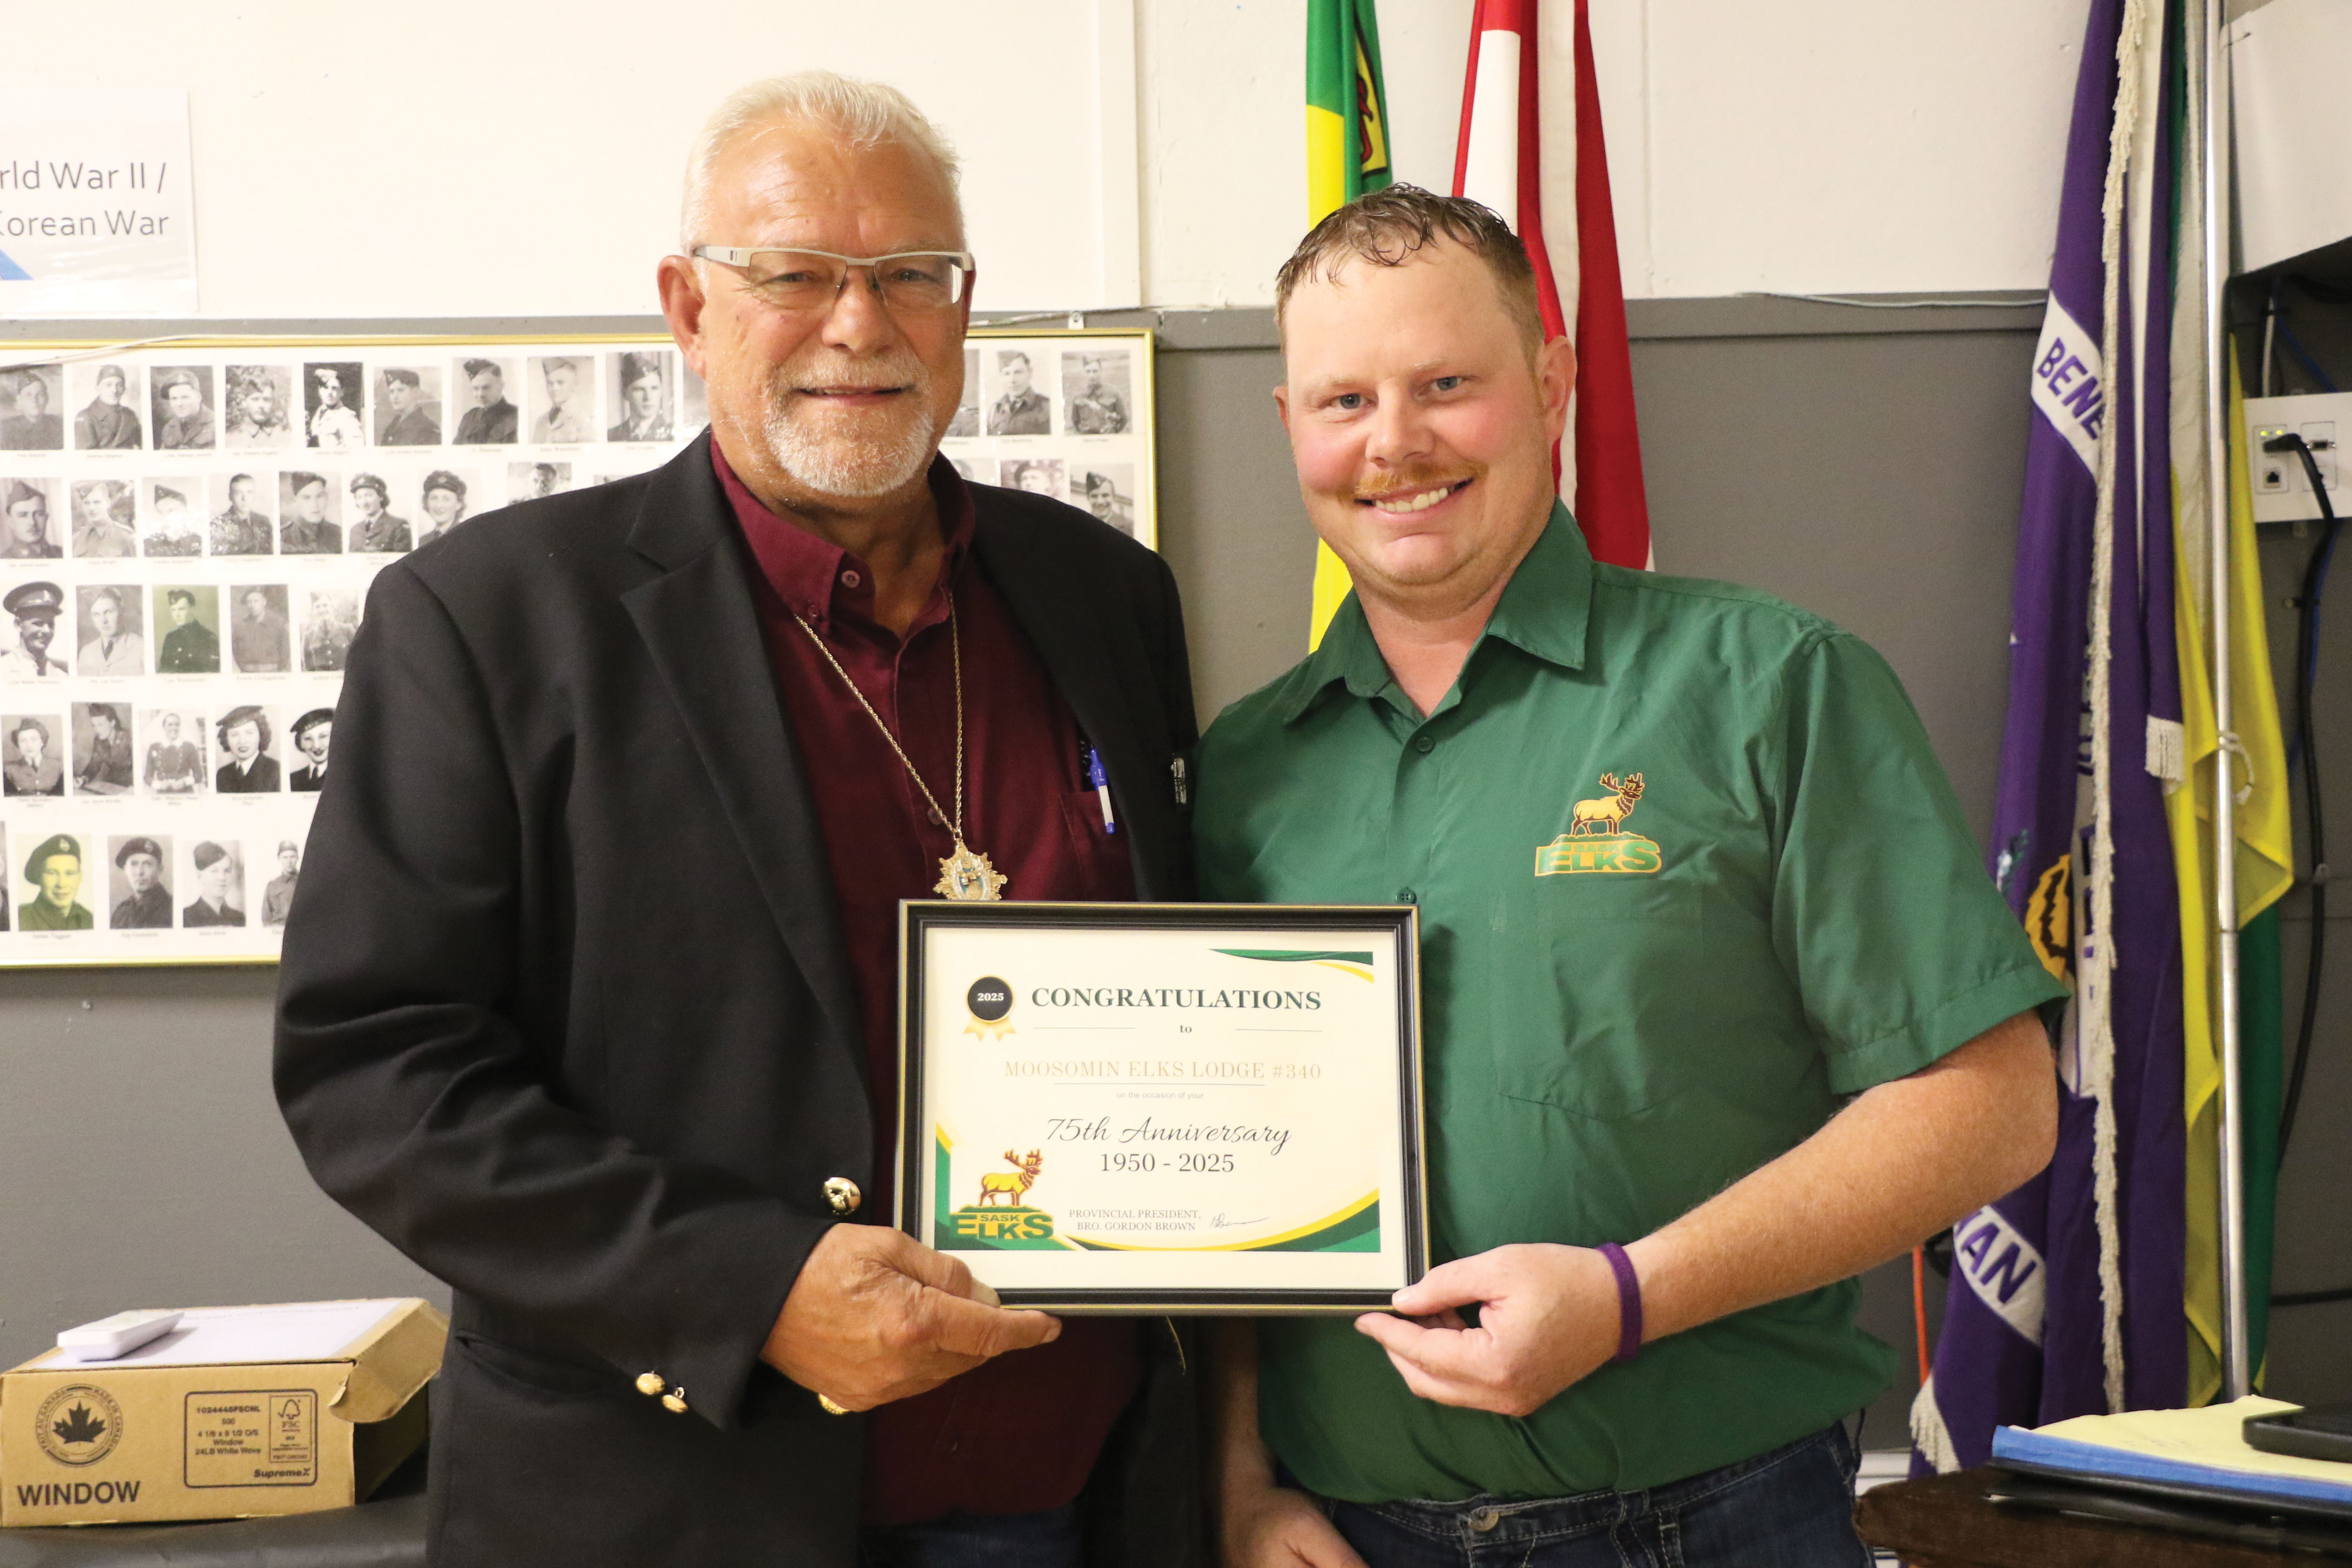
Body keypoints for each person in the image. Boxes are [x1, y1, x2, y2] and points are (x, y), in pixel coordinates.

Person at [274, 71, 1202, 1568]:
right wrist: (751, 1284)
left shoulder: (1103, 594)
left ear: (964, 305)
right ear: (688, 305)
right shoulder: (488, 618)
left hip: (1083, 1491)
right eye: (794, 275)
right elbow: (379, 1069)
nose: (861, 323)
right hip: (674, 1498)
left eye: (912, 274)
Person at [1199, 189, 2067, 1568]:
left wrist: (1628, 1295)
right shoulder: (1242, 771)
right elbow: (1225, 1200)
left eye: (1444, 385)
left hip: (1716, 1524)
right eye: (1343, 398)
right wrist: (1239, 1485)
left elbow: (1992, 1107)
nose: (1395, 442)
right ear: (1292, 426)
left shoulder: (1770, 687)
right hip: (1342, 1537)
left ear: (1549, 384)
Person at [20, 834, 92, 930]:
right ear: (39, 877)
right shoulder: (20, 919)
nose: (61, 884)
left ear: (80, 877)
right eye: (52, 873)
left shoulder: (89, 920)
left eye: (70, 874)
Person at [0, 582, 69, 677]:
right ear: (18, 624)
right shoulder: (3, 670)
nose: (47, 631)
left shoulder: (61, 676)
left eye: (51, 624)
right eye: (38, 623)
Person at [609, 351, 675, 441]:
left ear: (661, 392)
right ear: (625, 394)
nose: (648, 397)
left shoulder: (673, 435)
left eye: (654, 388)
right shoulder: (611, 436)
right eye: (639, 389)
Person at [77, 588, 145, 675]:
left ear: (122, 612)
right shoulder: (86, 653)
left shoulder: (142, 647)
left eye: (109, 612)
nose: (104, 621)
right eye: (97, 614)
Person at [76, 364, 144, 449]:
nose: (114, 391)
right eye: (108, 385)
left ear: (124, 389)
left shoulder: (130, 415)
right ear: (98, 389)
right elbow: (84, 457)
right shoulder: (85, 417)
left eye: (119, 385)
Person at [216, 705, 281, 793]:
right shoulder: (223, 774)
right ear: (226, 739)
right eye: (234, 735)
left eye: (249, 733)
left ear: (261, 734)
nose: (242, 741)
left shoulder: (277, 770)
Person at [112, 836, 172, 929]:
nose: (140, 872)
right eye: (134, 864)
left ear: (160, 870)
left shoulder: (171, 909)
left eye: (148, 864)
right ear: (125, 870)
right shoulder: (121, 913)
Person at [985, 349, 1050, 434]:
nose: (1012, 380)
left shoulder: (1047, 407)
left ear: (1030, 373)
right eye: (1007, 374)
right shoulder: (995, 411)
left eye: (1018, 373)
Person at [157, 588, 221, 674]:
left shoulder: (208, 637)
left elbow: (212, 674)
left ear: (193, 610)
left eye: (181, 609)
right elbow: (163, 670)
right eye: (174, 610)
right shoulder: (170, 637)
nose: (177, 615)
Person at [454, 359, 519, 444]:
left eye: (486, 388)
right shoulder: (469, 418)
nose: (481, 394)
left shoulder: (517, 416)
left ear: (501, 387)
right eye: (476, 389)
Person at [224, 366, 293, 446]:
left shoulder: (288, 435)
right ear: (245, 402)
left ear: (273, 402)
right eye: (255, 399)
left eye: (267, 400)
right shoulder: (230, 438)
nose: (261, 406)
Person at [534, 357, 595, 443]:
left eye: (560, 383)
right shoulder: (541, 422)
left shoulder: (583, 420)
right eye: (550, 383)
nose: (555, 388)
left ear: (574, 385)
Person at [212, 472, 275, 556]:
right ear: (230, 497)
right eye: (238, 493)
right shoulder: (219, 524)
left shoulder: (264, 522)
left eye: (250, 493)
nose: (245, 499)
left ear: (255, 496)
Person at [77, 703, 134, 794]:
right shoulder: (99, 741)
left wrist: (135, 788)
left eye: (101, 725)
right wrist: (83, 779)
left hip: (129, 787)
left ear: (113, 723)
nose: (97, 730)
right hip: (110, 785)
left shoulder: (129, 739)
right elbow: (94, 765)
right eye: (94, 726)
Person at [348, 474, 413, 553]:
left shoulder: (398, 526)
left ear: (381, 497)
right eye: (359, 497)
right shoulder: (355, 530)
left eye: (369, 496)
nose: (364, 502)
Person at [184, 841, 245, 927]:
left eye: (227, 871)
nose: (222, 878)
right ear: (200, 876)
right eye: (214, 871)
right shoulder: (186, 918)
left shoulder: (240, 918)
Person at [232, 586, 291, 673]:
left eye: (256, 601)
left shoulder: (278, 624)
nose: (253, 605)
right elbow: (236, 651)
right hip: (248, 673)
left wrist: (279, 671)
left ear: (264, 602)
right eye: (249, 602)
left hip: (272, 672)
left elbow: (285, 650)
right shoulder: (240, 627)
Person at [1065, 353, 1129, 434]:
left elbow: (1124, 420)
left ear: (1101, 371)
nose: (1092, 376)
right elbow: (1076, 422)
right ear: (1084, 373)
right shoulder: (1079, 396)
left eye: (1095, 371)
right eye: (1088, 372)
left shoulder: (1115, 393)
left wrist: (1112, 432)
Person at [281, 472, 343, 554]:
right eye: (306, 498)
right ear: (295, 502)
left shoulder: (339, 534)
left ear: (327, 498)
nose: (315, 505)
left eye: (320, 496)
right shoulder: (282, 537)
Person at [71, 480, 136, 557]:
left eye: (97, 502)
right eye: (87, 503)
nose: (92, 508)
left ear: (108, 503)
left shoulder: (125, 536)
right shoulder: (76, 539)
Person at [0, 370, 64, 449]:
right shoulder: (6, 429)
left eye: (40, 395)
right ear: (20, 400)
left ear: (47, 399)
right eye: (28, 395)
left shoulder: (59, 426)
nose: (34, 400)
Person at [155, 369, 216, 450]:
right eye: (174, 399)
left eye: (185, 397)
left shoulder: (216, 424)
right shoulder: (169, 429)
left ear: (198, 397)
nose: (179, 404)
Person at [144, 711, 203, 794]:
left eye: (177, 725)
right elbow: (147, 777)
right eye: (170, 725)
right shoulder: (155, 748)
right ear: (164, 727)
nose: (174, 728)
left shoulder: (189, 747)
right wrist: (160, 785)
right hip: (163, 795)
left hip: (185, 794)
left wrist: (185, 782)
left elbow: (199, 775)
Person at [380, 368, 442, 445]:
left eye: (401, 390)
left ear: (415, 393)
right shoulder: (394, 425)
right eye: (392, 392)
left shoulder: (428, 430)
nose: (395, 397)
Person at [309, 366, 366, 450]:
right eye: (326, 388)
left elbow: (357, 452)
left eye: (334, 388)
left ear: (342, 392)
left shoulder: (347, 417)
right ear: (320, 391)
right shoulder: (320, 412)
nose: (329, 393)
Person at [5, 716, 63, 796]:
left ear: (42, 742)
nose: (29, 745)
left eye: (34, 740)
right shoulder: (9, 770)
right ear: (18, 744)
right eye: (23, 741)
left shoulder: (59, 767)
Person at [3, 479, 60, 558]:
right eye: (23, 515)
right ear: (11, 522)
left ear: (46, 518)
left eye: (39, 514)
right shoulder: (4, 560)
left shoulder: (61, 554)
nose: (32, 522)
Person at [143, 485, 204, 557]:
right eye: (160, 513)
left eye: (171, 512)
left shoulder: (198, 543)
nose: (165, 518)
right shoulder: (149, 544)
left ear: (185, 514)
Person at [416, 470, 468, 547]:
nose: (439, 506)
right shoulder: (423, 541)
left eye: (446, 499)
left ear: (459, 504)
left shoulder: (466, 537)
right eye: (434, 498)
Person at [289, 707, 331, 790]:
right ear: (300, 744)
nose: (316, 746)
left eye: (323, 736)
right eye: (308, 739)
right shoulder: (292, 780)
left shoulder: (346, 777)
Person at [1080, 470, 1134, 534]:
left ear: (1114, 497)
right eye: (1094, 496)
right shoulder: (1081, 525)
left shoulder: (1130, 526)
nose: (1100, 502)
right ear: (1088, 498)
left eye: (1105, 495)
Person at [262, 839, 301, 925]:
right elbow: (266, 918)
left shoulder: (305, 882)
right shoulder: (272, 886)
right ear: (279, 859)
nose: (289, 861)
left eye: (292, 857)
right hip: (277, 933)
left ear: (298, 858)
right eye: (285, 857)